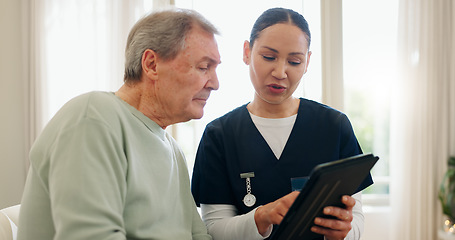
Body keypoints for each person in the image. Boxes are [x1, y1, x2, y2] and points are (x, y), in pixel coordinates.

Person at [17, 8, 220, 240]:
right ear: (152, 64)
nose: (215, 83)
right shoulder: (93, 118)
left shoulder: (173, 150)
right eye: (204, 67)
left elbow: (196, 235)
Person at [191, 7, 373, 240]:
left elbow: (355, 218)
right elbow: (213, 229)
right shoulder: (219, 135)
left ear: (307, 62)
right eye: (269, 57)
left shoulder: (334, 126)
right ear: (247, 52)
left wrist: (343, 233)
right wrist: (262, 216)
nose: (280, 72)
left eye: (294, 61)